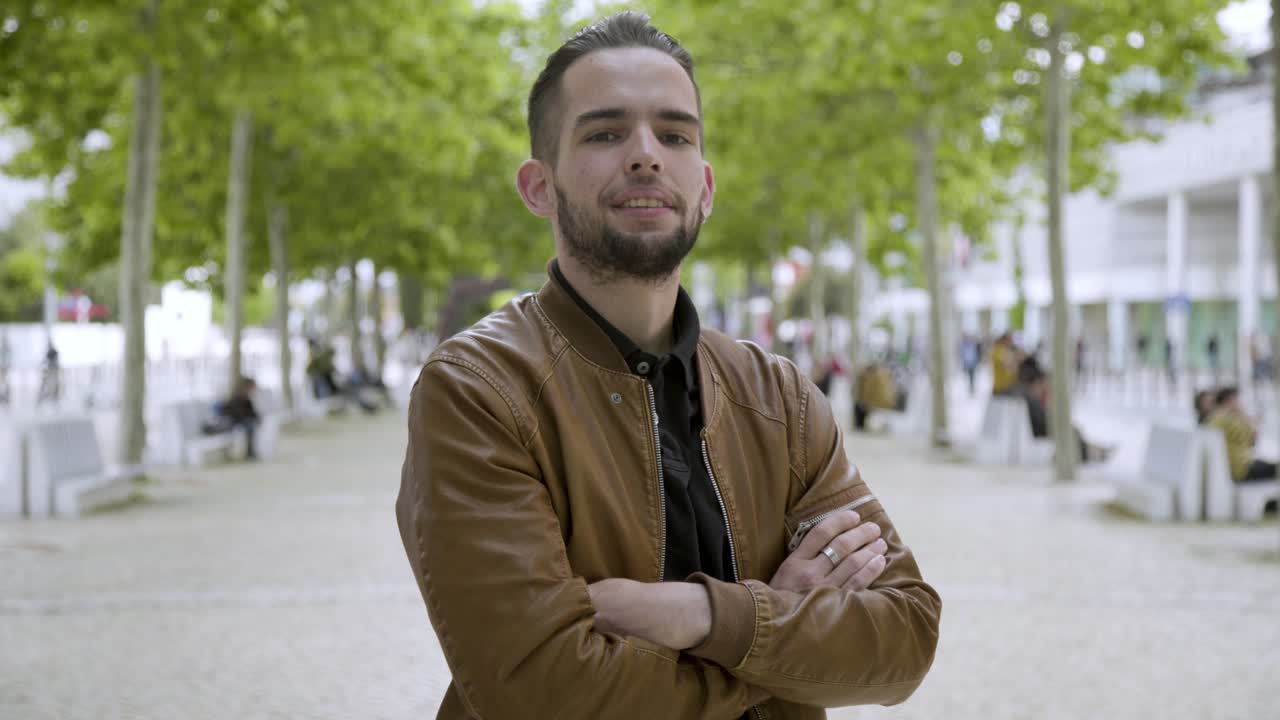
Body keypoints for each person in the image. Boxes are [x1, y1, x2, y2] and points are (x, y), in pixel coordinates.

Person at [395, 14, 940, 719]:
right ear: (538, 187)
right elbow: (545, 694)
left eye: (675, 134)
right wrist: (775, 631)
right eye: (604, 133)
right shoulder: (478, 390)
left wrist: (700, 616)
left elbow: (904, 640)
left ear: (705, 188)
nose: (646, 155)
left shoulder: (778, 398)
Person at [1207, 386, 1277, 483]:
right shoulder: (1225, 419)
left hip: (1242, 465)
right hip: (1241, 469)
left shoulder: (1221, 417)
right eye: (1237, 399)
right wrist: (1245, 418)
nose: (1240, 403)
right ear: (1229, 401)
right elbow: (1252, 440)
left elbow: (1251, 442)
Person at [205, 376, 261, 460]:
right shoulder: (237, 397)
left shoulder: (246, 398)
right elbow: (238, 414)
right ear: (247, 386)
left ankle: (250, 452)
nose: (254, 389)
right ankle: (249, 452)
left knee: (250, 426)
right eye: (253, 386)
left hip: (236, 423)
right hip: (228, 422)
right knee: (249, 426)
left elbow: (252, 413)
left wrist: (255, 417)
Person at [990, 332, 1018, 396]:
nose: (1011, 342)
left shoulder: (1005, 350)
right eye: (1010, 340)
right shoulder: (998, 350)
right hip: (1001, 386)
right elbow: (1006, 364)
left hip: (1006, 385)